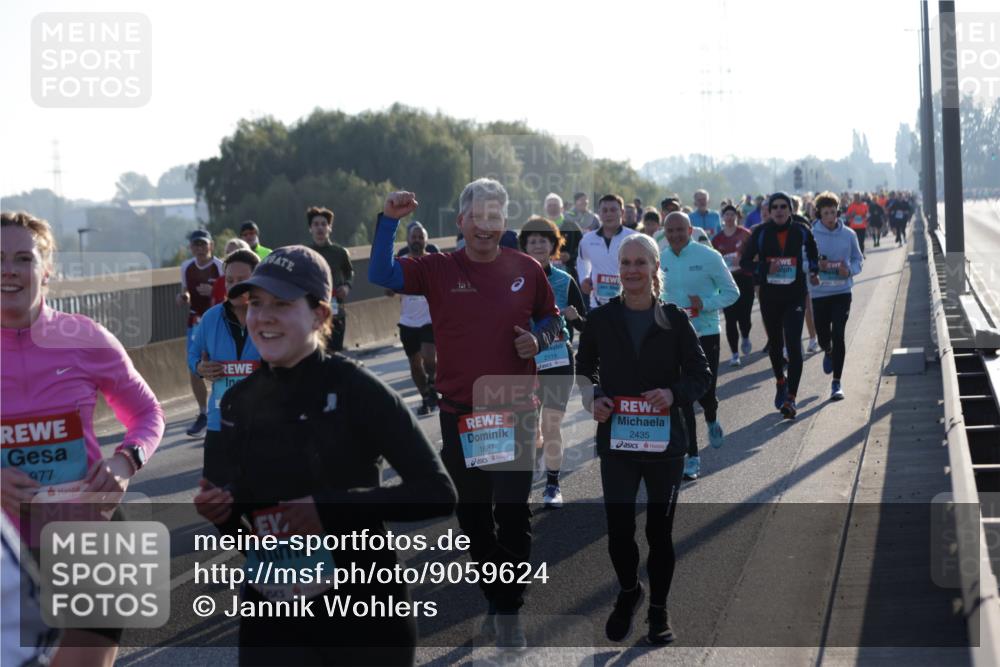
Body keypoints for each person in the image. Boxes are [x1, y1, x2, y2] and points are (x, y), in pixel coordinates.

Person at [194, 245, 456, 666]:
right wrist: (222, 515)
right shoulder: (236, 403)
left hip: (364, 613)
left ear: (319, 315)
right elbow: (247, 531)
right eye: (256, 304)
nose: (263, 317)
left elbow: (438, 493)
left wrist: (329, 508)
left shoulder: (356, 388)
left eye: (281, 304)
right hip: (273, 615)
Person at [368, 179, 562, 649]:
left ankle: (508, 610)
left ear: (504, 222)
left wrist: (537, 339)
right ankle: (497, 597)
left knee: (512, 513)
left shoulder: (526, 269)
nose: (486, 225)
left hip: (515, 408)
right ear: (461, 222)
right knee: (474, 519)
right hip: (460, 414)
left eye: (495, 216)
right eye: (477, 216)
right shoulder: (437, 268)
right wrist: (388, 221)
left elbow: (553, 320)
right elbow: (381, 274)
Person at [1, 211, 165, 667]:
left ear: (47, 270)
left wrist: (125, 461)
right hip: (7, 554)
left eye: (23, 258)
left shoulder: (85, 337)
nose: (9, 270)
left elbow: (147, 413)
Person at [576, 233, 711, 645]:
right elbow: (584, 368)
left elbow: (701, 375)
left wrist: (673, 394)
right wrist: (593, 396)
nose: (632, 270)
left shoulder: (674, 319)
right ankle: (630, 591)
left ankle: (658, 610)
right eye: (626, 263)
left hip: (665, 445)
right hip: (618, 441)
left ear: (655, 268)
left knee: (658, 531)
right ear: (618, 269)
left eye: (640, 262)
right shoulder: (601, 319)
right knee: (619, 529)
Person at [660, 212, 738, 479]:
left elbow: (732, 292)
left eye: (680, 230)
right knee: (682, 397)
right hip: (673, 337)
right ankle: (692, 456)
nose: (675, 235)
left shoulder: (709, 256)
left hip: (705, 332)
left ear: (690, 229)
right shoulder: (661, 259)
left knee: (706, 392)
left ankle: (711, 416)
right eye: (670, 231)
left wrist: (705, 303)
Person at [518, 216, 587, 508]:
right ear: (524, 247)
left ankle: (553, 484)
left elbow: (585, 325)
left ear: (553, 246)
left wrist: (575, 317)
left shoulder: (565, 279)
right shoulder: (513, 281)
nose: (537, 246)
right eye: (532, 241)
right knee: (529, 428)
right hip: (526, 363)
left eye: (543, 241)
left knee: (551, 424)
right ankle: (525, 483)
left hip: (559, 360)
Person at [740, 192, 819, 420]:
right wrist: (765, 269)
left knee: (793, 345)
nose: (779, 210)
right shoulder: (760, 233)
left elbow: (813, 253)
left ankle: (791, 399)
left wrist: (814, 271)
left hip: (795, 295)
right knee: (776, 346)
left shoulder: (802, 230)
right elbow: (745, 262)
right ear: (769, 210)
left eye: (784, 206)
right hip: (770, 297)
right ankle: (780, 381)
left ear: (791, 209)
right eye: (775, 207)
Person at [187, 248, 261, 485]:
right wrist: (200, 367)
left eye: (242, 280)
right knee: (217, 497)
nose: (234, 286)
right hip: (219, 422)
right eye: (229, 280)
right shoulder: (211, 318)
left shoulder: (271, 317)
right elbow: (193, 355)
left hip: (262, 424)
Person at [811, 192, 864, 401]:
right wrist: (816, 266)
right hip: (819, 293)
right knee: (824, 336)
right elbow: (803, 261)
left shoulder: (849, 234)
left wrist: (848, 270)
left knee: (839, 334)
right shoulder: (811, 234)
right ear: (819, 214)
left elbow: (858, 259)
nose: (830, 217)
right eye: (826, 213)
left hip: (842, 292)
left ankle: (836, 382)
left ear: (838, 212)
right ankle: (827, 350)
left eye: (833, 212)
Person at [177, 229, 224, 438]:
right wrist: (183, 297)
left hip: (218, 321)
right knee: (194, 366)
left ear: (211, 245)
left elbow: (230, 293)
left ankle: (222, 409)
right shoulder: (186, 267)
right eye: (196, 244)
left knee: (220, 365)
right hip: (195, 322)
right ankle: (203, 413)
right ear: (191, 247)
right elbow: (185, 290)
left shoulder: (220, 266)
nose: (200, 248)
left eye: (203, 244)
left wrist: (214, 292)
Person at [392, 221, 441, 416]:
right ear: (407, 239)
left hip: (429, 318)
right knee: (414, 363)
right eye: (414, 237)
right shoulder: (401, 262)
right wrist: (393, 285)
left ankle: (433, 382)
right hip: (408, 321)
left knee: (429, 357)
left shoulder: (434, 261)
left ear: (426, 241)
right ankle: (426, 397)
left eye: (421, 237)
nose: (417, 240)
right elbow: (389, 289)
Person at [577, 195, 640, 309]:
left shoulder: (634, 238)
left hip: (628, 305)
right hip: (596, 305)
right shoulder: (587, 239)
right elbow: (582, 261)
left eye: (613, 210)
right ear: (599, 213)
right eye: (605, 210)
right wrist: (583, 279)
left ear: (622, 212)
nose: (609, 214)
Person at [305, 206, 354, 352]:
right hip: (313, 310)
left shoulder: (340, 252)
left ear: (329, 228)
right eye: (316, 224)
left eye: (323, 224)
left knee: (335, 351)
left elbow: (349, 272)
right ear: (310, 229)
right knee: (317, 352)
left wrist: (347, 286)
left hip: (336, 308)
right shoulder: (306, 253)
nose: (320, 228)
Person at [712, 204, 755, 366]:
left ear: (737, 217)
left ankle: (745, 335)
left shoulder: (745, 234)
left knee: (745, 317)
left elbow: (754, 254)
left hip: (745, 279)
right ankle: (735, 354)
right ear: (722, 218)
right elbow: (713, 261)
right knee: (730, 318)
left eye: (732, 214)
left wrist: (743, 259)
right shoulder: (717, 239)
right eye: (727, 215)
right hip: (727, 282)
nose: (729, 217)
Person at [547, 193, 583, 282]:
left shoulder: (572, 226)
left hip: (568, 275)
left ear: (562, 208)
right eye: (550, 205)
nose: (552, 208)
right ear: (545, 208)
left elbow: (583, 248)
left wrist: (570, 256)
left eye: (555, 205)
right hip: (545, 276)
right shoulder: (539, 226)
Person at [210, 238, 252, 306]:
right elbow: (214, 306)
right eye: (227, 252)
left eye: (234, 252)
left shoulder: (255, 281)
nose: (229, 256)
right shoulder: (220, 281)